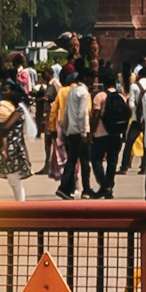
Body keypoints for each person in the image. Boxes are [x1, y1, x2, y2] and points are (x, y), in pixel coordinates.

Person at [0, 80, 31, 203]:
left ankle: (21, 207)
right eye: (2, 90)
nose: (3, 93)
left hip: (11, 150)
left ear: (13, 92)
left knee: (14, 180)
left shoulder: (18, 110)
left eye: (6, 90)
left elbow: (6, 126)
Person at [56, 67, 92, 198]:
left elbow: (65, 112)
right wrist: (84, 133)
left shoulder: (72, 91)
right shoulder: (84, 93)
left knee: (71, 161)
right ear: (86, 78)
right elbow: (83, 114)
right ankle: (86, 189)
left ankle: (64, 187)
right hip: (80, 132)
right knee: (85, 162)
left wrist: (65, 129)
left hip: (71, 131)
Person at [93, 75, 130, 201]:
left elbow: (96, 115)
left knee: (96, 160)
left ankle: (104, 186)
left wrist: (91, 131)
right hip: (116, 135)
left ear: (104, 84)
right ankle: (108, 186)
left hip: (100, 134)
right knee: (112, 162)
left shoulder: (100, 96)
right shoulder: (122, 97)